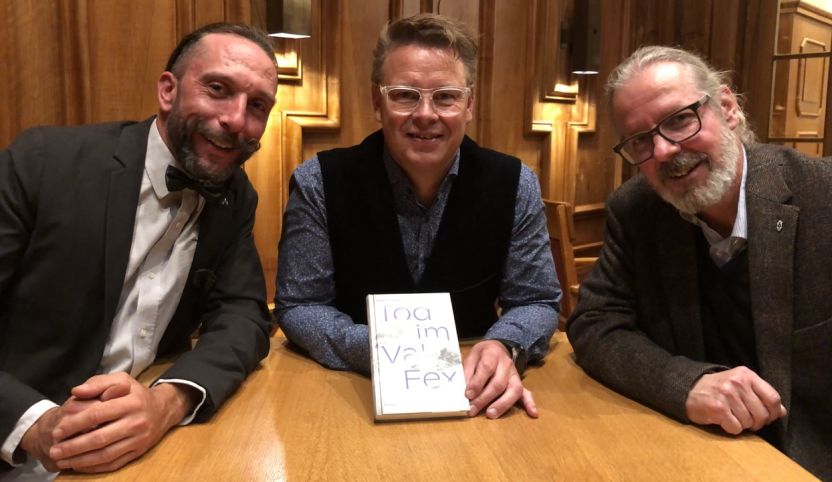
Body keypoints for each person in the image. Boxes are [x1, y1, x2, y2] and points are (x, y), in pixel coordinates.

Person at [0, 23, 277, 477]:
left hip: (145, 457)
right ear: (168, 91)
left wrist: (167, 402)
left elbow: (244, 315)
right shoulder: (42, 163)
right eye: (217, 89)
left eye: (257, 106)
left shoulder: (235, 196)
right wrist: (35, 425)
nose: (236, 119)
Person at [567, 45, 832, 481]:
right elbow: (594, 323)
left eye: (680, 119)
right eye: (640, 140)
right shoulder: (636, 209)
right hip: (697, 455)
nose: (663, 151)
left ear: (727, 108)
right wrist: (685, 384)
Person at [275, 13, 561, 420]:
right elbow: (300, 305)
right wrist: (388, 353)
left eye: (445, 96)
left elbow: (537, 300)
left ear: (470, 104)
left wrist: (505, 345)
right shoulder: (318, 181)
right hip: (349, 396)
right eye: (405, 94)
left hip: (474, 398)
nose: (426, 114)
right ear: (377, 102)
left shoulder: (517, 184)